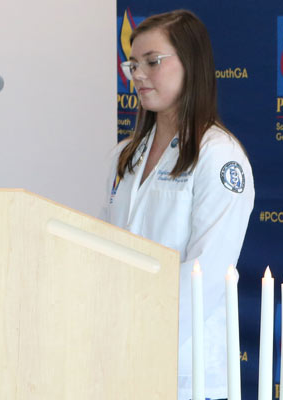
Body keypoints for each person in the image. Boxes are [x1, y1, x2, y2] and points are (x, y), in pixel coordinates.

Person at [102, 10, 254, 400]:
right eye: (132, 64)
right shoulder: (125, 153)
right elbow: (105, 244)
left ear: (191, 64)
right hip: (118, 353)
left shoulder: (219, 156)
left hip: (185, 368)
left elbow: (208, 268)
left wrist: (145, 341)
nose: (137, 75)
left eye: (152, 62)